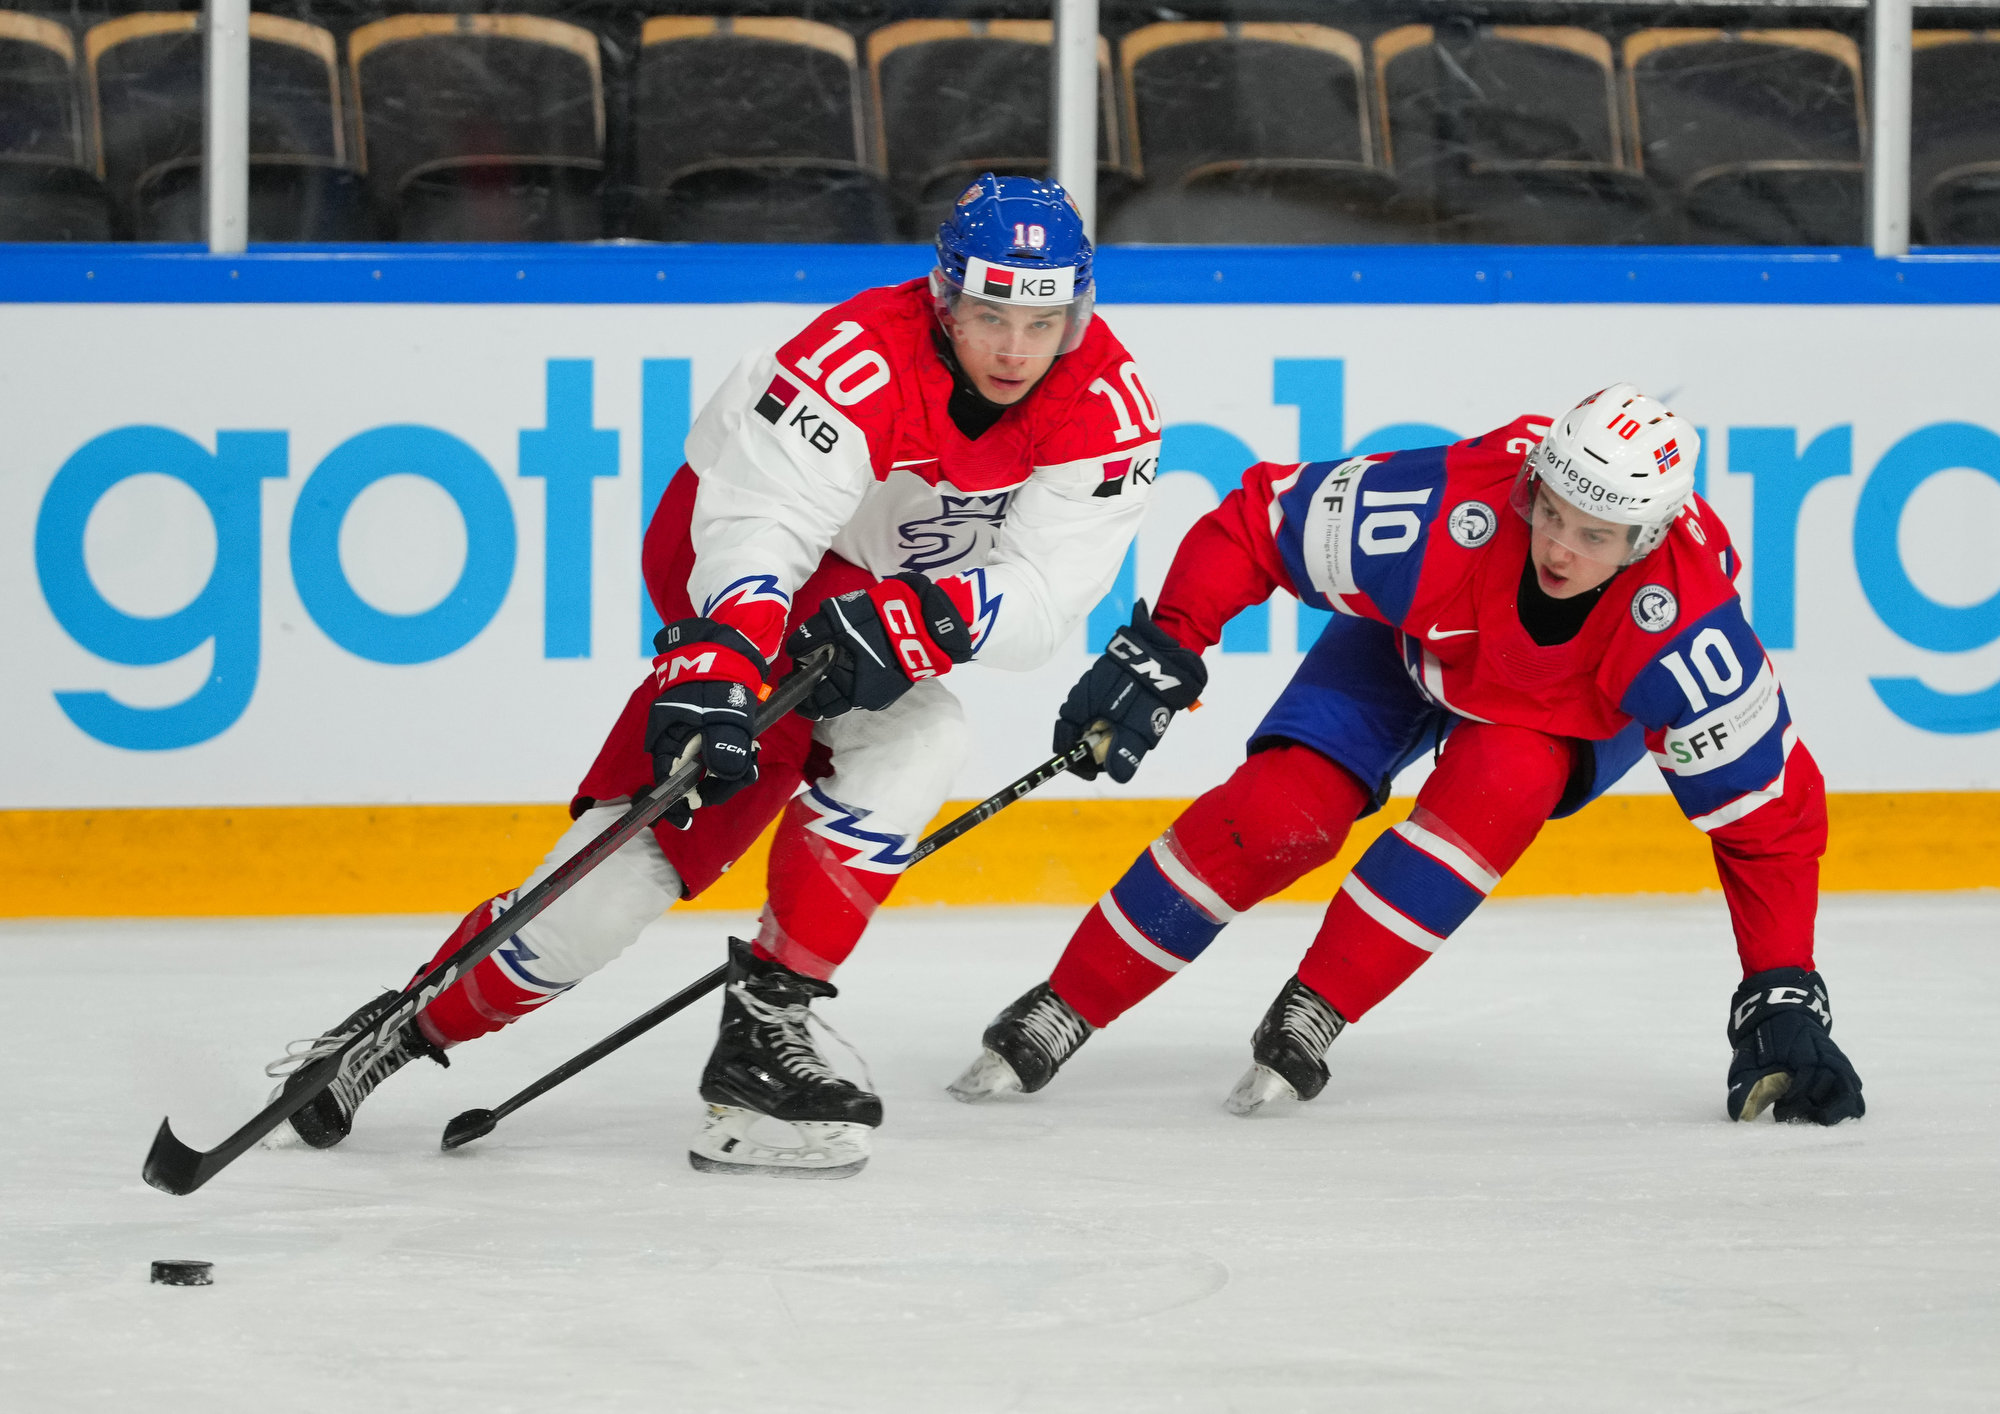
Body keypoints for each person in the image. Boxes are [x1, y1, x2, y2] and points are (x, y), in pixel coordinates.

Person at [262, 174, 1171, 1176]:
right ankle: (403, 1028)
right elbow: (759, 523)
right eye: (989, 314)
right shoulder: (858, 357)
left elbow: (1042, 595)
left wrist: (928, 617)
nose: (1011, 348)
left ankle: (764, 1029)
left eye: (1038, 322)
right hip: (738, 556)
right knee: (648, 857)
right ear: (944, 297)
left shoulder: (1110, 406)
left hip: (880, 593)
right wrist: (726, 655)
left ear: (1074, 316)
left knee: (921, 736)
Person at [950, 385, 1864, 1127]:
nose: (1558, 545)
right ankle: (1068, 1000)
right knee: (1280, 813)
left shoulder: (1685, 628)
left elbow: (1768, 819)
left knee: (1499, 785)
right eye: (1551, 511)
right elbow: (1256, 523)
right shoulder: (1449, 506)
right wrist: (1169, 644)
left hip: (1556, 718)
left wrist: (1781, 987)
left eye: (1594, 535)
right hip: (1408, 646)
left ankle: (1319, 1003)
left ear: (1648, 540)